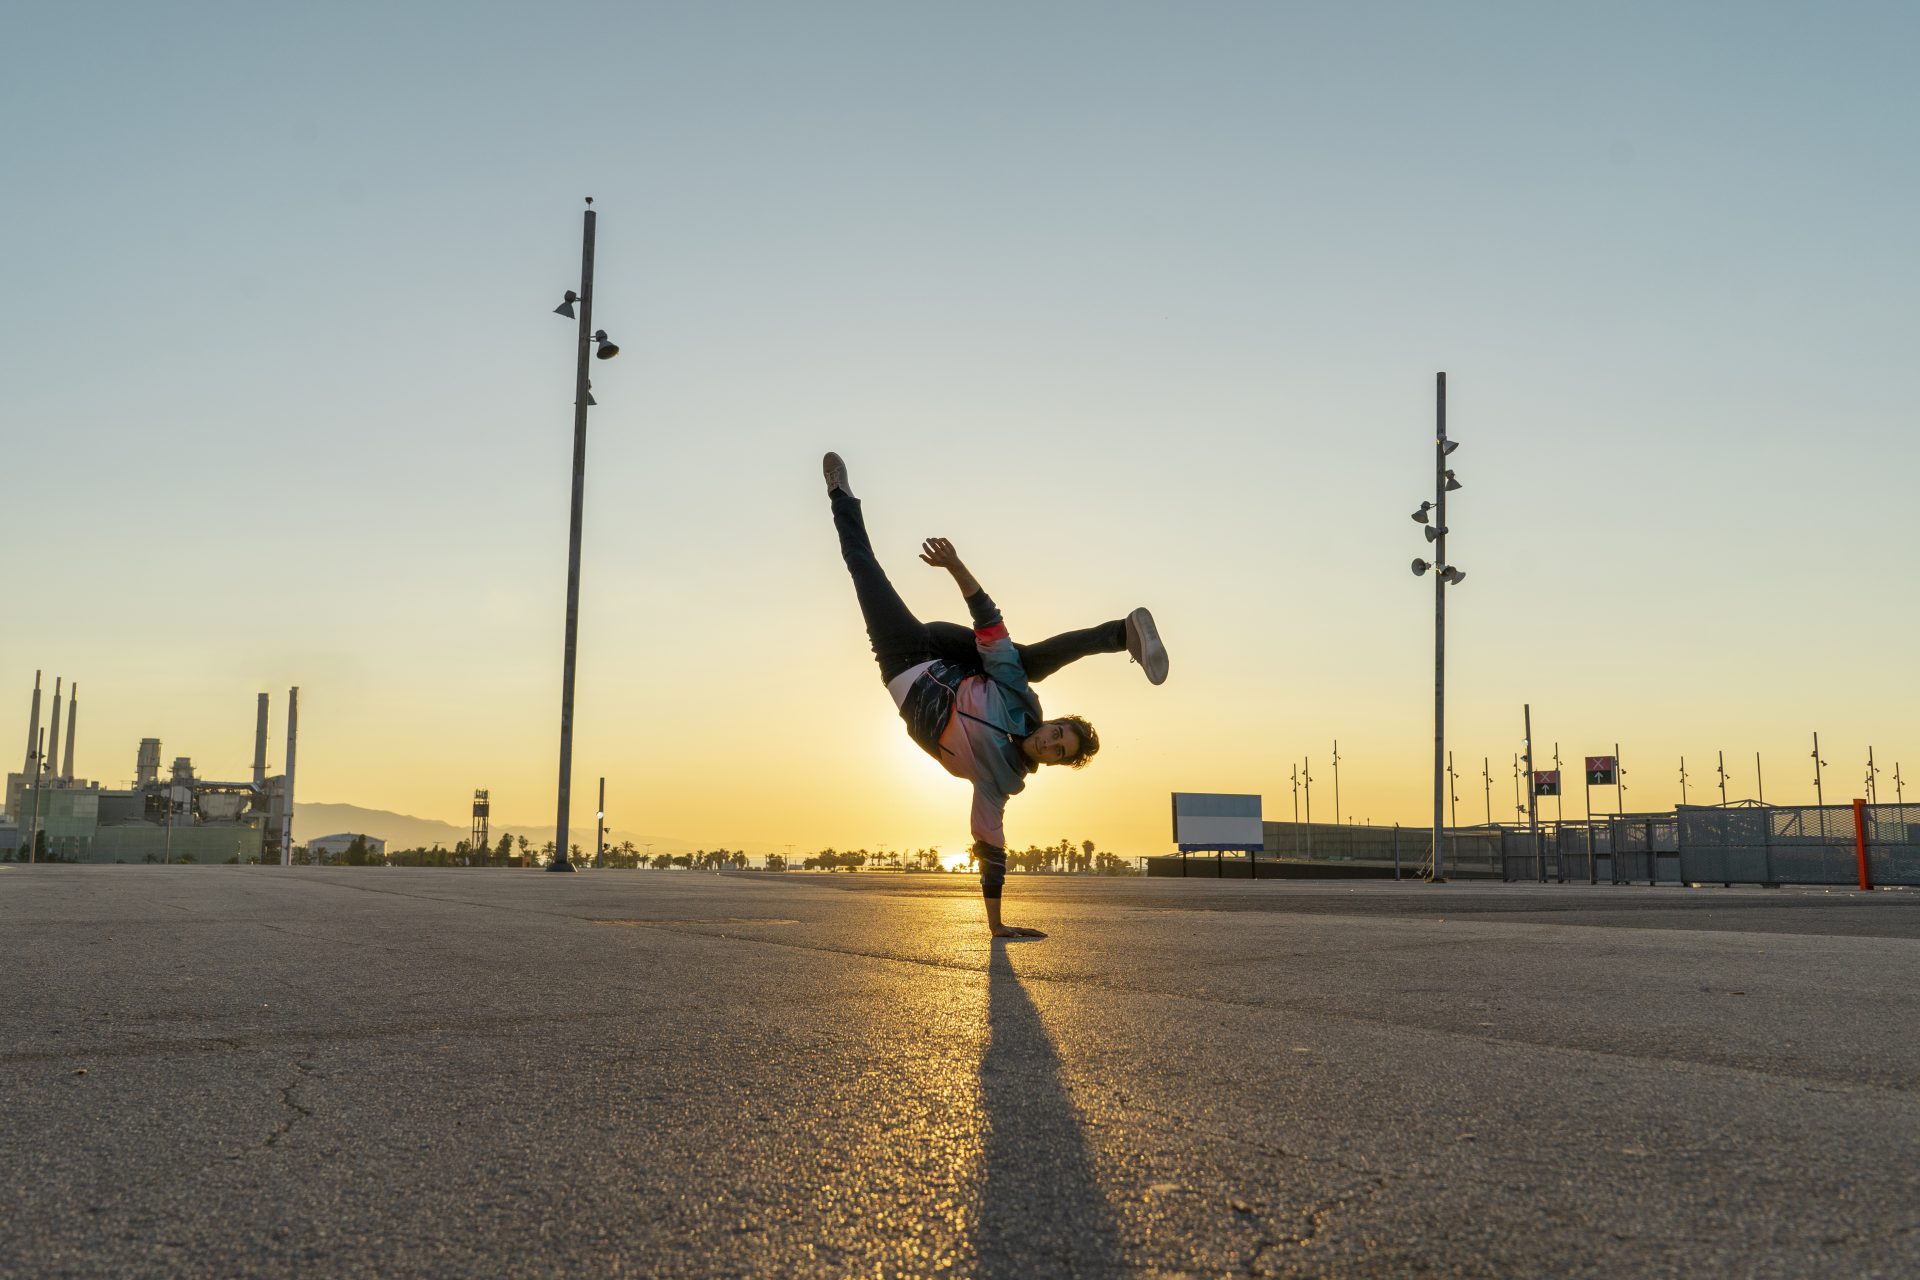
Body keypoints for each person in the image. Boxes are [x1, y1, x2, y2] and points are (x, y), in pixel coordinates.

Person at [822, 452, 1168, 937]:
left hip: (902, 661)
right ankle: (1120, 634)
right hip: (950, 651)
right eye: (1058, 733)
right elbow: (990, 628)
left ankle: (840, 495)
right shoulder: (1021, 702)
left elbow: (991, 846)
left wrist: (997, 926)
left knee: (863, 569)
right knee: (1017, 662)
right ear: (1052, 724)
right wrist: (956, 565)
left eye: (1059, 751)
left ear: (1052, 762)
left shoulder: (998, 784)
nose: (1051, 742)